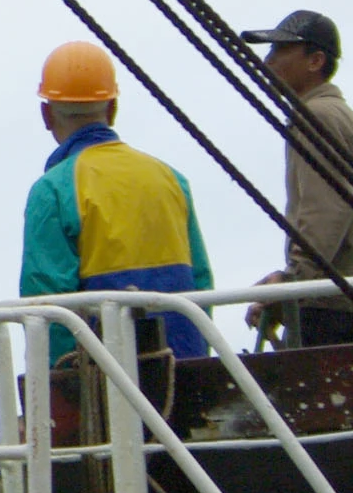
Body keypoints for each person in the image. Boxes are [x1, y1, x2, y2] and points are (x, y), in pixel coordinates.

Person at [18, 40, 214, 358]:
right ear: (112, 108)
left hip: (105, 376)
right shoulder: (170, 178)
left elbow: (47, 305)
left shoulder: (52, 190)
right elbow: (201, 282)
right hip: (186, 367)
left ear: (46, 114)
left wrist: (59, 379)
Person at [240, 8, 353, 348]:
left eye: (280, 51)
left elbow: (325, 212)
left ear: (315, 61)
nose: (268, 62)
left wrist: (294, 282)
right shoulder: (337, 115)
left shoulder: (316, 116)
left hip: (333, 308)